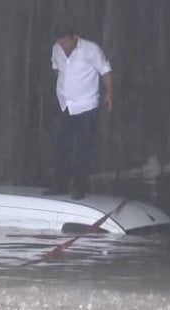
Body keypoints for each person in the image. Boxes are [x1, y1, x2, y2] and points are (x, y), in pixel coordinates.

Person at [43, 24, 113, 200]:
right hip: (65, 104)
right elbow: (57, 69)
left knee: (83, 148)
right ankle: (60, 185)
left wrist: (109, 93)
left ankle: (80, 187)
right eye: (59, 42)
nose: (63, 46)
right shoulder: (56, 50)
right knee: (62, 146)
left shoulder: (90, 49)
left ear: (74, 38)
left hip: (86, 105)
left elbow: (105, 70)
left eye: (65, 42)